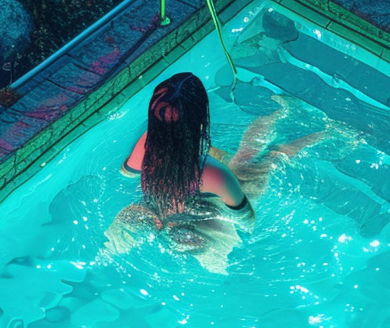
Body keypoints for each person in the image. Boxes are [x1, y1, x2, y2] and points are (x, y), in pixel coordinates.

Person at [105, 72, 328, 270]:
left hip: (158, 213)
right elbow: (245, 218)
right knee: (262, 158)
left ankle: (284, 113)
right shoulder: (213, 173)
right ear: (200, 121)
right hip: (205, 214)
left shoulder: (146, 144)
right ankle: (326, 131)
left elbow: (126, 175)